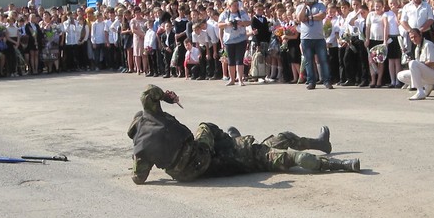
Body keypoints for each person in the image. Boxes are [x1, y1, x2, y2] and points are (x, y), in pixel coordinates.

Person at [127, 84, 361, 184]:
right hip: (237, 155)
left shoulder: (141, 149)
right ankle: (339, 162)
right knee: (284, 145)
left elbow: (139, 178)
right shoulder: (154, 117)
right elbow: (148, 93)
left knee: (240, 139)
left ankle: (321, 144)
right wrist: (167, 99)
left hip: (191, 173)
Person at [296, 0, 333, 90]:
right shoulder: (300, 6)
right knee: (308, 61)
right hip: (306, 38)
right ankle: (311, 81)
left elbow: (322, 15)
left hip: (319, 38)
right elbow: (300, 18)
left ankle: (327, 81)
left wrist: (309, 18)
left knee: (323, 60)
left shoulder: (320, 5)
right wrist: (305, 5)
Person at [397, 28, 434, 100]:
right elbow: (417, 68)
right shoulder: (417, 48)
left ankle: (420, 92)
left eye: (415, 36)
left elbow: (433, 63)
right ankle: (427, 85)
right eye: (411, 37)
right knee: (400, 75)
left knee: (413, 63)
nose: (413, 39)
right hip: (426, 74)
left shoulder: (428, 44)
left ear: (420, 35)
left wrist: (418, 63)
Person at [218, 0, 251, 86]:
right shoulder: (224, 14)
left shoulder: (242, 13)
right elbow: (219, 25)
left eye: (237, 5)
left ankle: (240, 79)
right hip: (229, 40)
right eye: (234, 5)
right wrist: (227, 24)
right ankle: (232, 79)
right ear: (229, 6)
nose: (236, 7)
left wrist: (242, 23)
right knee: (231, 60)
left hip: (241, 39)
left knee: (239, 60)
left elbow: (249, 22)